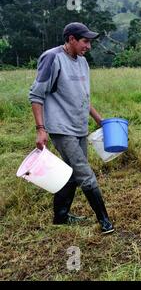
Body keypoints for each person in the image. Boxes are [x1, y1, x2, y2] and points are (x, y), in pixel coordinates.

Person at [28, 22, 114, 234]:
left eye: (90, 42)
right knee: (85, 173)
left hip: (79, 126)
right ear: (71, 39)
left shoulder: (83, 63)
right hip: (60, 127)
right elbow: (36, 95)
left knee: (72, 174)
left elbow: (83, 97)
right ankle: (105, 221)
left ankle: (60, 217)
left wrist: (99, 120)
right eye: (85, 41)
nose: (89, 46)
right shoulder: (52, 58)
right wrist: (41, 129)